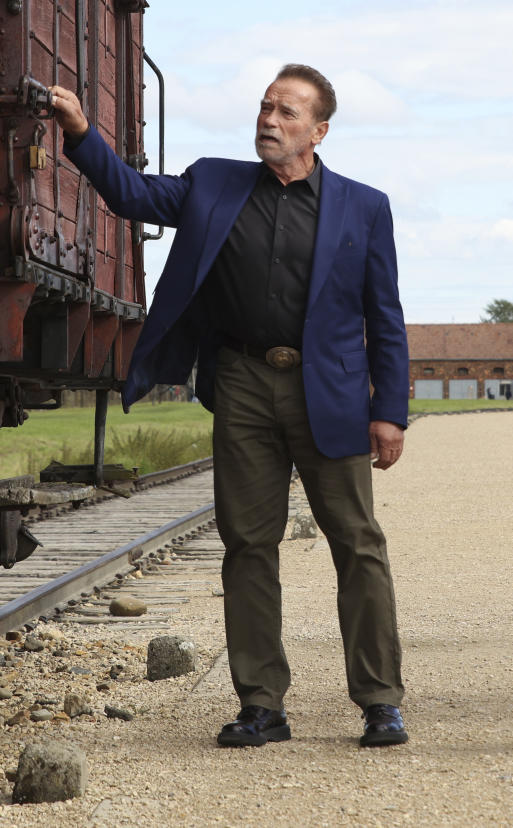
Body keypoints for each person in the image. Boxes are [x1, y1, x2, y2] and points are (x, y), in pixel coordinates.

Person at [50, 64, 409, 748]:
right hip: (242, 382)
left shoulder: (364, 206)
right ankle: (261, 704)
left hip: (328, 392)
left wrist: (388, 409)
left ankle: (379, 699)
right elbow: (130, 195)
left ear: (318, 130)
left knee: (357, 544)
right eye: (265, 107)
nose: (268, 121)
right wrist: (80, 132)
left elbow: (383, 316)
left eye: (286, 113)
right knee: (247, 546)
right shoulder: (213, 182)